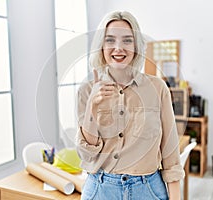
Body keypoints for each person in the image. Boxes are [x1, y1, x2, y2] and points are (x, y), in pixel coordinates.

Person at [76, 10, 184, 200]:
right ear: (101, 45)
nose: (119, 48)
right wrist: (93, 107)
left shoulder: (157, 88)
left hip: (148, 190)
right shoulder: (86, 90)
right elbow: (87, 155)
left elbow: (171, 155)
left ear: (136, 46)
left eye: (127, 40)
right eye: (110, 40)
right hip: (100, 190)